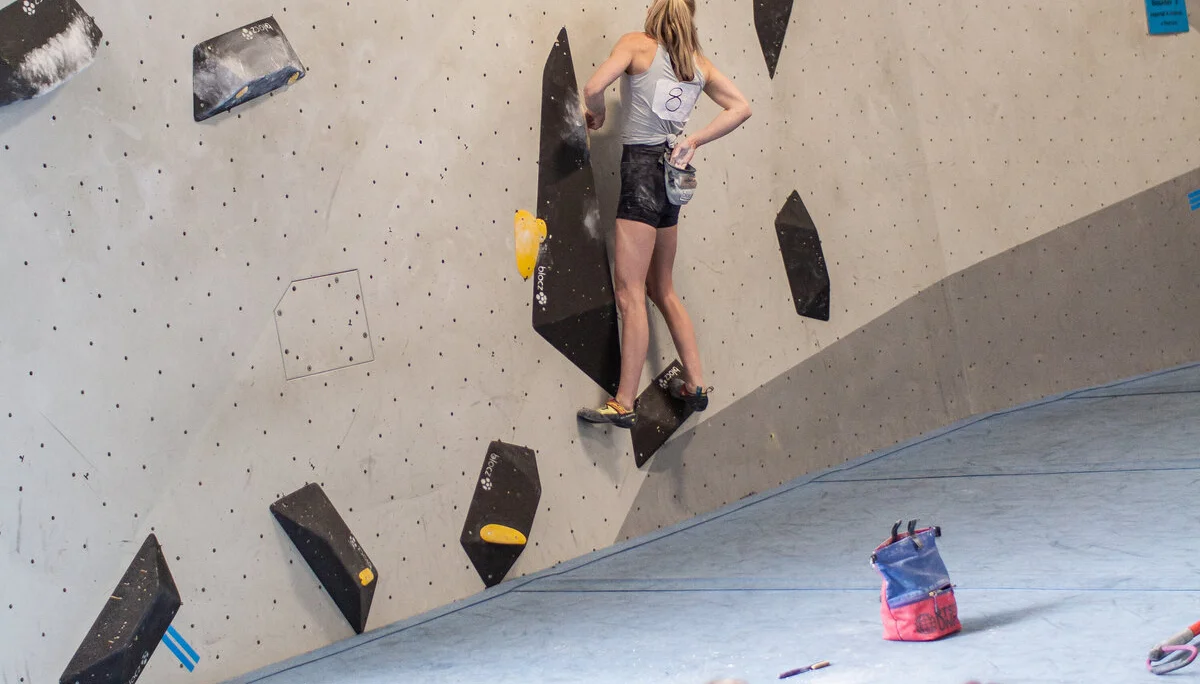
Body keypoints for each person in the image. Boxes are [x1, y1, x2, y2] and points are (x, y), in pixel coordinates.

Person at [577, 0, 752, 428]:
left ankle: (623, 402)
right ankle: (695, 386)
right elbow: (741, 107)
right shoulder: (696, 63)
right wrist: (694, 140)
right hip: (674, 175)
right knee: (662, 287)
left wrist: (597, 113)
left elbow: (593, 87)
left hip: (640, 172)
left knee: (629, 291)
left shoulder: (637, 45)